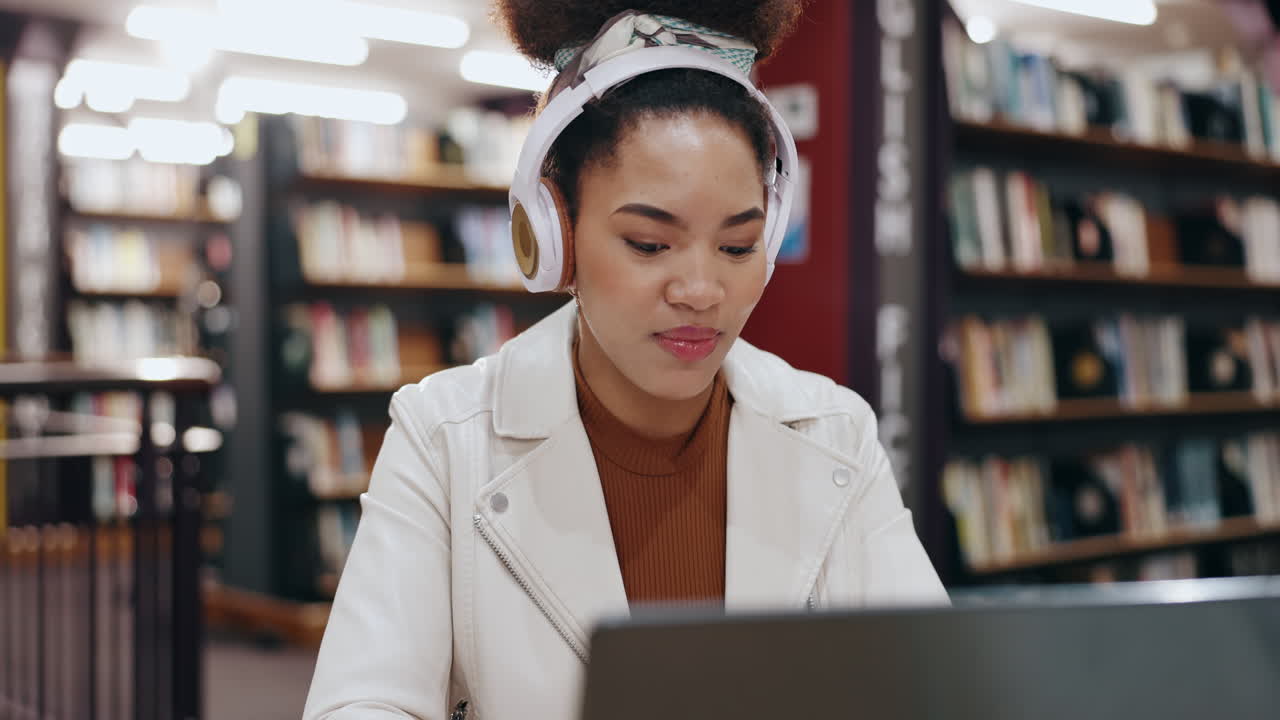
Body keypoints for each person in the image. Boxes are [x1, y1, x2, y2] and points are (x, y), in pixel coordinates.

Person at [303, 2, 946, 718]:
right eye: (649, 244)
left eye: (737, 247)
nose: (701, 290)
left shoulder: (836, 432)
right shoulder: (443, 440)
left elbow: (940, 686)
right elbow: (363, 703)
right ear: (555, 236)